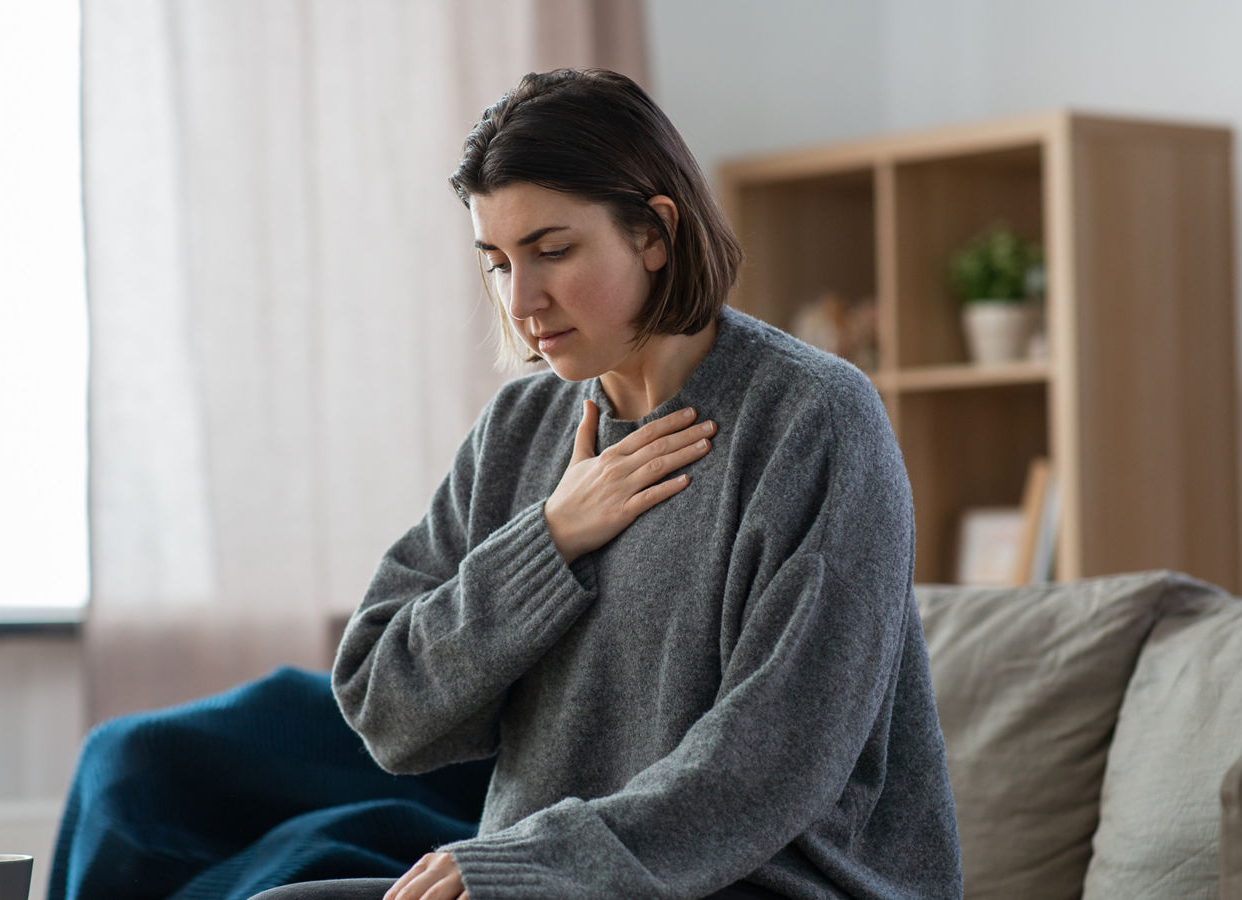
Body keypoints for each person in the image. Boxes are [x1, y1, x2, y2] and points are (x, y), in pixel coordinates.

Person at [256, 68, 961, 900]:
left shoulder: (816, 420)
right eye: (498, 262)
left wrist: (528, 866)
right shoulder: (519, 432)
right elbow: (384, 708)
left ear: (654, 233)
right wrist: (548, 539)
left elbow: (775, 759)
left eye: (552, 251)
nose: (523, 300)